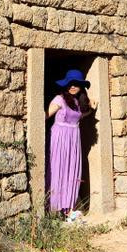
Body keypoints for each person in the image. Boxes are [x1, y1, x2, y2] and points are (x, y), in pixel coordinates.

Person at [46, 68, 96, 217]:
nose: (73, 87)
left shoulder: (78, 102)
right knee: (58, 169)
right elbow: (46, 115)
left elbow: (79, 116)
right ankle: (54, 207)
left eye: (76, 84)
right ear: (66, 85)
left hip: (73, 140)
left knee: (72, 171)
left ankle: (68, 208)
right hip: (59, 139)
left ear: (81, 86)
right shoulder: (59, 99)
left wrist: (91, 108)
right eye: (70, 84)